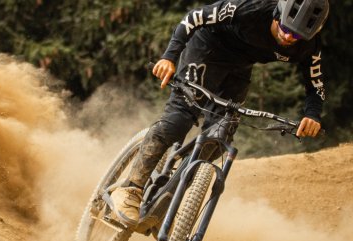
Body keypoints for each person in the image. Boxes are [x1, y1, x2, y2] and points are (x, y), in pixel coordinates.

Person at [111, 0, 330, 227]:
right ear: (277, 14)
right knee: (179, 119)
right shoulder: (251, 8)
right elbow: (194, 18)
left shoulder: (309, 45)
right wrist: (169, 57)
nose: (287, 38)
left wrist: (312, 115)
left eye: (296, 36)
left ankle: (168, 198)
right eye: (285, 29)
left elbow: (316, 84)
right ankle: (130, 189)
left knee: (219, 139)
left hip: (240, 68)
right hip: (207, 49)